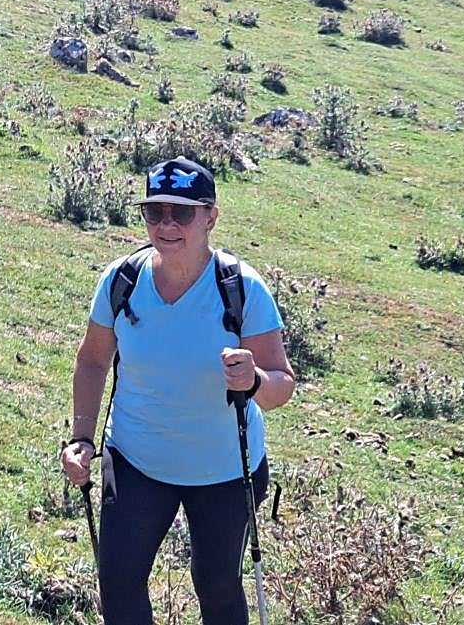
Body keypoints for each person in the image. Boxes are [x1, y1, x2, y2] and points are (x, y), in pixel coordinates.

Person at [60, 157, 295, 625]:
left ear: (211, 217)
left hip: (224, 471)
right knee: (119, 583)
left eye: (182, 213)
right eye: (155, 212)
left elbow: (281, 384)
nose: (167, 225)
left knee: (217, 585)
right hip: (135, 460)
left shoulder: (241, 288)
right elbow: (92, 359)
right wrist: (82, 437)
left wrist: (253, 382)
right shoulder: (121, 280)